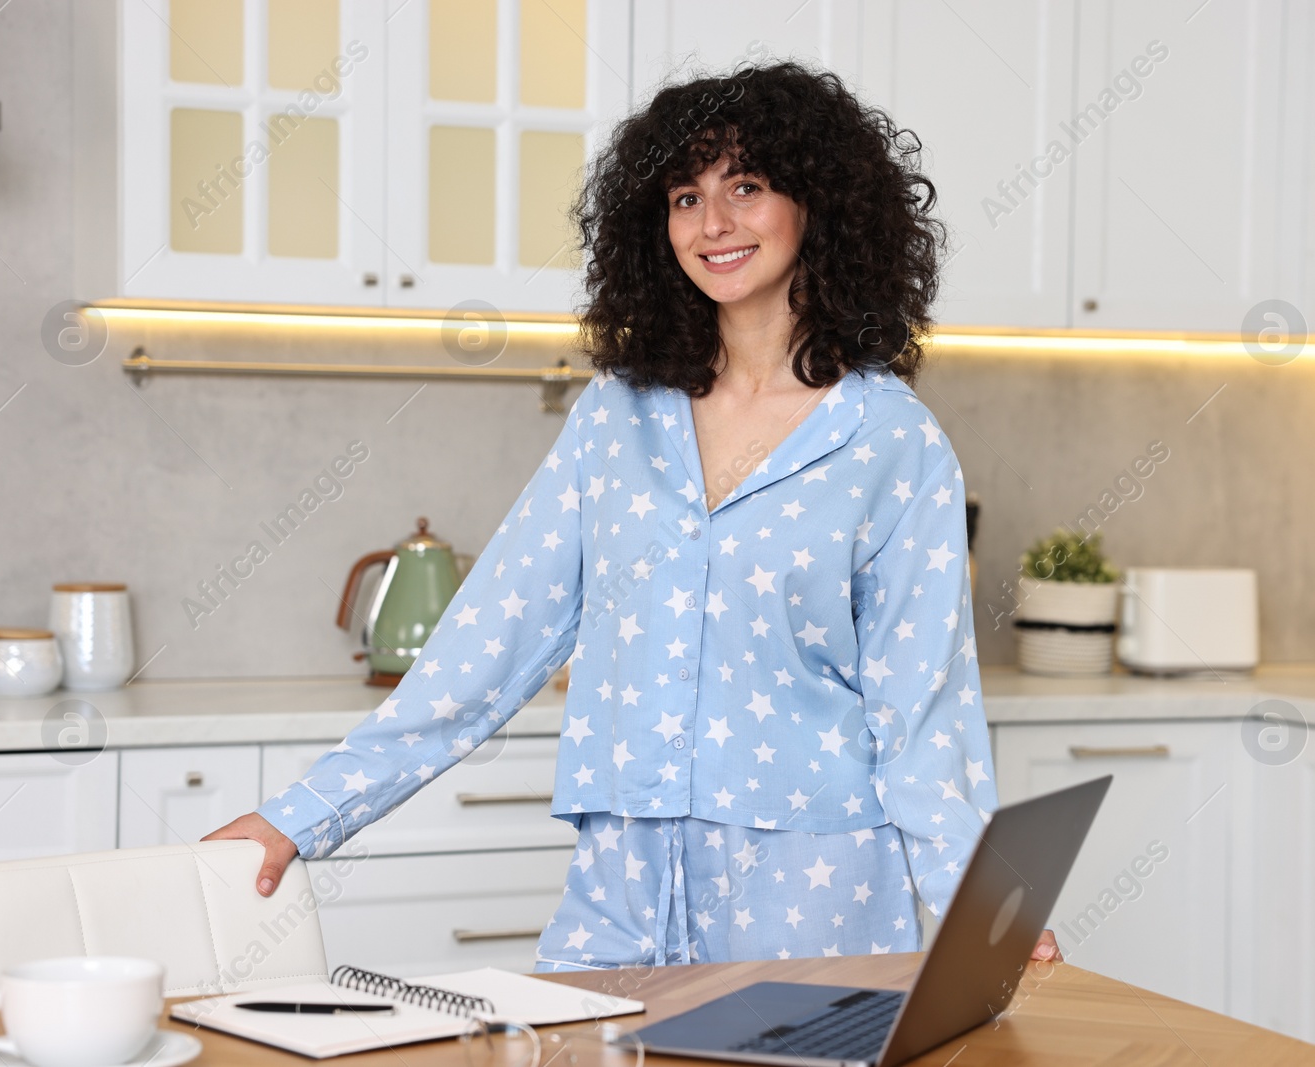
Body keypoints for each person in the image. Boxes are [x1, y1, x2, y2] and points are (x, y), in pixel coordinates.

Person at [207, 59, 1061, 970]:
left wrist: (989, 911)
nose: (714, 223)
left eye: (747, 186)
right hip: (622, 878)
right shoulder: (618, 417)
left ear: (819, 203)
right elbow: (489, 641)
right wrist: (301, 816)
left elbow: (924, 715)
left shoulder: (892, 440)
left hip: (818, 889)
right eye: (685, 197)